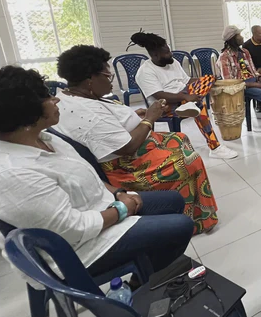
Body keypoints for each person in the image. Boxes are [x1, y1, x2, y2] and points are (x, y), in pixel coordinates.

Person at [0, 66, 194, 279]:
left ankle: (149, 267)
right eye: (47, 97)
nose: (56, 100)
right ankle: (142, 286)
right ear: (25, 112)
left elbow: (88, 175)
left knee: (172, 200)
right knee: (180, 226)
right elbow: (71, 230)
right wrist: (122, 209)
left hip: (95, 210)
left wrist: (119, 193)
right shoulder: (9, 173)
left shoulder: (45, 138)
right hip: (76, 251)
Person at [54, 45, 220, 234]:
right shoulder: (87, 112)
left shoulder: (72, 95)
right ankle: (191, 220)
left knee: (181, 137)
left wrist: (133, 116)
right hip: (128, 165)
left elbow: (108, 124)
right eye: (108, 77)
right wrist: (150, 118)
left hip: (133, 146)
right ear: (89, 80)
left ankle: (192, 207)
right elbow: (127, 146)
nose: (111, 82)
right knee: (190, 161)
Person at [129, 31, 237, 159]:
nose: (171, 54)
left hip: (185, 97)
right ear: (156, 55)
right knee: (200, 104)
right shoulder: (145, 72)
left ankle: (190, 104)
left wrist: (204, 81)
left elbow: (187, 81)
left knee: (210, 78)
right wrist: (185, 97)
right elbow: (159, 95)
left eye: (169, 51)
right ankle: (215, 147)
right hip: (164, 106)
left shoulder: (172, 62)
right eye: (167, 53)